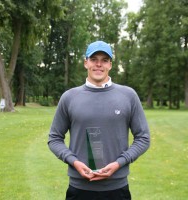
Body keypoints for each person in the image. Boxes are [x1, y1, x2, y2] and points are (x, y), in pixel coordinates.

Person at [48, 40, 150, 200]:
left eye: (104, 60)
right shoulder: (69, 97)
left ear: (110, 64)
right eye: (94, 59)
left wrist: (119, 163)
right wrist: (74, 162)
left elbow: (143, 138)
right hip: (79, 189)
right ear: (85, 63)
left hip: (117, 189)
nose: (99, 64)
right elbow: (54, 138)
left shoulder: (128, 96)